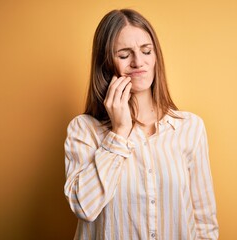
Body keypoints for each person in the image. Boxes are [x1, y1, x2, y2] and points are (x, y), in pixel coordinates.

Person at [64, 9, 219, 240]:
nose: (139, 62)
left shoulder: (190, 128)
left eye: (146, 51)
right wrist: (119, 133)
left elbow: (204, 223)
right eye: (125, 55)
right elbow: (84, 207)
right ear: (106, 64)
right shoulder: (83, 130)